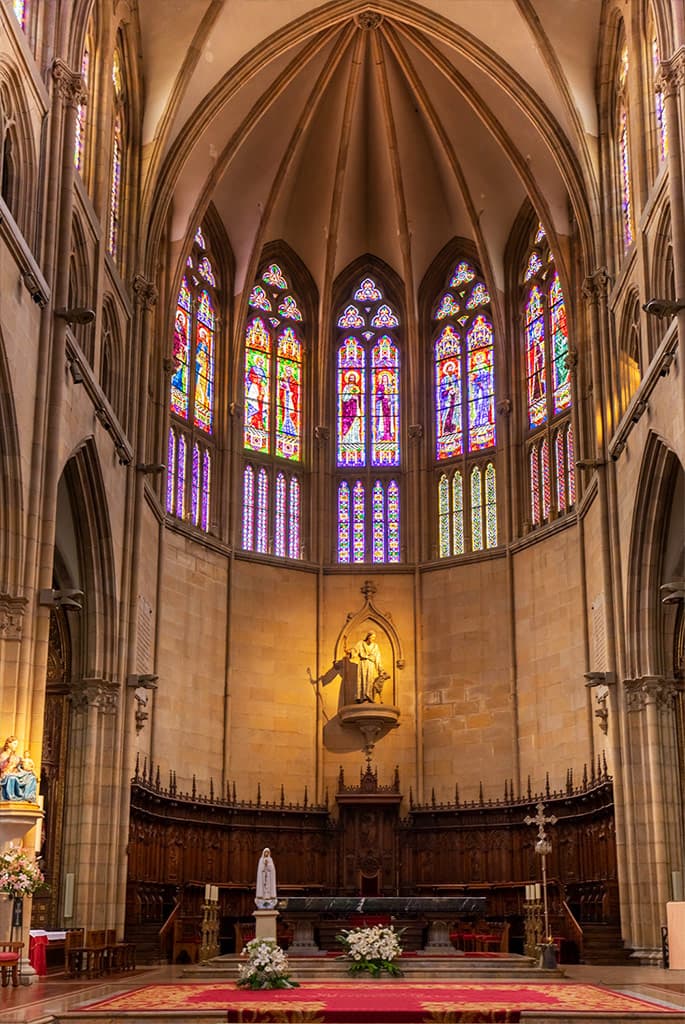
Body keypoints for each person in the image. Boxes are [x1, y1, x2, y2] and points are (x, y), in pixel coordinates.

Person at [349, 631, 389, 704]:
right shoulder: (360, 643)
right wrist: (350, 652)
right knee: (362, 679)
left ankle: (368, 697)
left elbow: (378, 658)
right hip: (362, 663)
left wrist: (381, 670)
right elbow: (354, 651)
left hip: (371, 664)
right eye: (372, 637)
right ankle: (361, 697)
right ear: (368, 636)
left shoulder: (375, 646)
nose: (373, 639)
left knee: (370, 680)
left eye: (374, 637)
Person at [0, 737, 38, 802]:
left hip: (17, 774)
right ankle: (11, 797)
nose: (16, 746)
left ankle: (28, 797)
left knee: (32, 777)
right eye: (14, 744)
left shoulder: (16, 756)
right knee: (12, 778)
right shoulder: (3, 755)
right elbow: (2, 767)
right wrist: (8, 759)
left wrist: (30, 768)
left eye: (16, 744)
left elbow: (22, 766)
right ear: (9, 744)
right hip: (6, 775)